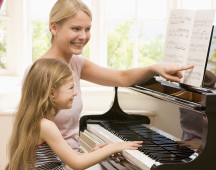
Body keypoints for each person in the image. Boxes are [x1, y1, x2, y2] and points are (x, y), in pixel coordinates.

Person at [24, 0, 193, 163]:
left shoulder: (76, 62)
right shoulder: (40, 73)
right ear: (54, 27)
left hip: (70, 161)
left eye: (87, 29)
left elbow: (121, 78)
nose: (83, 36)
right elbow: (31, 136)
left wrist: (154, 68)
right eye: (76, 28)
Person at [6, 58, 143, 170]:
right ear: (52, 93)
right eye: (71, 87)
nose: (75, 93)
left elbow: (67, 159)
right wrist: (115, 147)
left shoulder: (38, 121)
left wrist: (92, 154)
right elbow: (77, 164)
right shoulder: (46, 125)